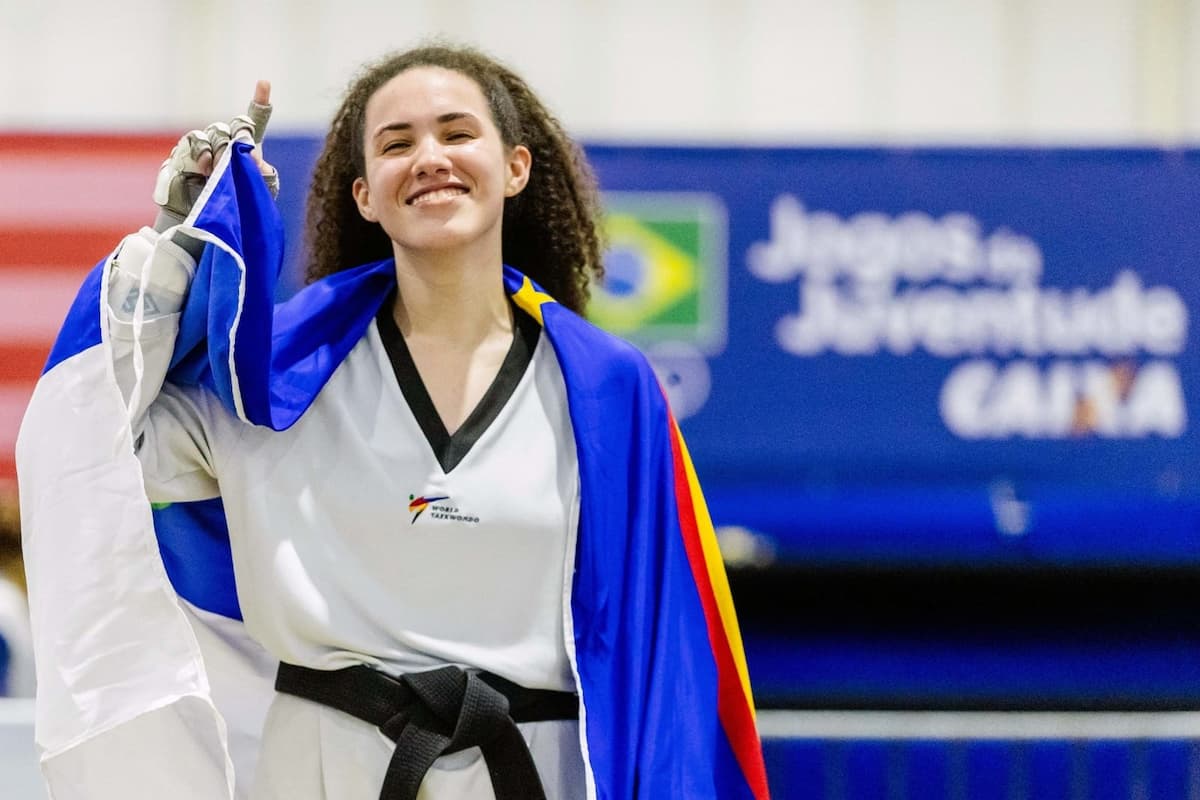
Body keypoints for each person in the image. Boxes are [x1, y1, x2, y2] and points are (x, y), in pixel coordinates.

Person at [18, 44, 769, 800]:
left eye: (456, 133)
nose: (430, 158)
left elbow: (665, 652)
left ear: (515, 168)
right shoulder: (273, 381)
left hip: (540, 772)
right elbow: (99, 444)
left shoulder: (607, 388)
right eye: (397, 143)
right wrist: (173, 247)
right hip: (319, 770)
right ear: (365, 195)